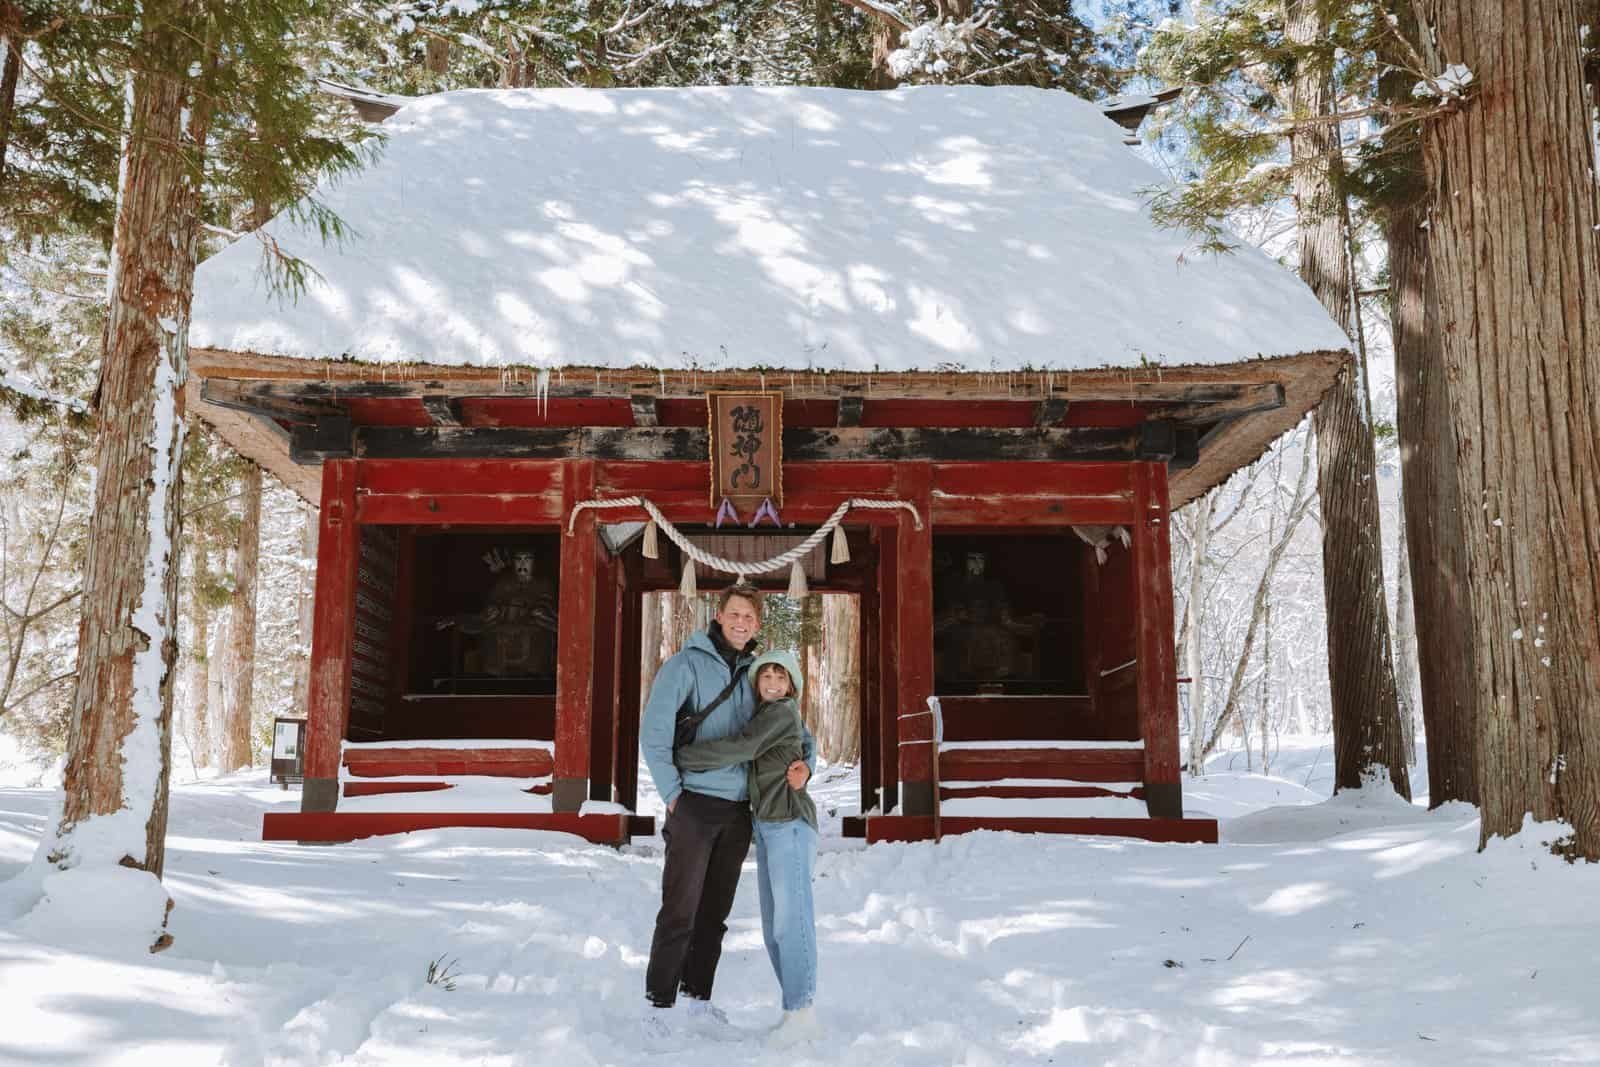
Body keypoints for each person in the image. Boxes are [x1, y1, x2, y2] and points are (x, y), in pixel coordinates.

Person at [639, 582, 813, 1030]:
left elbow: (797, 732)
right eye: (734, 614)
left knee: (715, 912)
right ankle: (658, 1007)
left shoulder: (760, 672)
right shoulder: (684, 666)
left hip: (739, 810)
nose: (741, 623)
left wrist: (804, 768)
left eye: (750, 618)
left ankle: (698, 999)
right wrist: (673, 795)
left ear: (758, 623)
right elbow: (654, 736)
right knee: (681, 908)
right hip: (694, 803)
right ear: (719, 616)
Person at [675, 649, 821, 1046]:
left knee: (792, 922)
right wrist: (808, 762)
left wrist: (683, 756)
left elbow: (741, 748)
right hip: (771, 828)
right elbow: (808, 742)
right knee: (775, 929)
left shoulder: (779, 713)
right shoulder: (770, 715)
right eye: (765, 677)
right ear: (757, 683)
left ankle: (802, 1013)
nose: (773, 684)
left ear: (792, 685)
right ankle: (794, 1010)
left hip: (790, 824)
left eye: (781, 677)